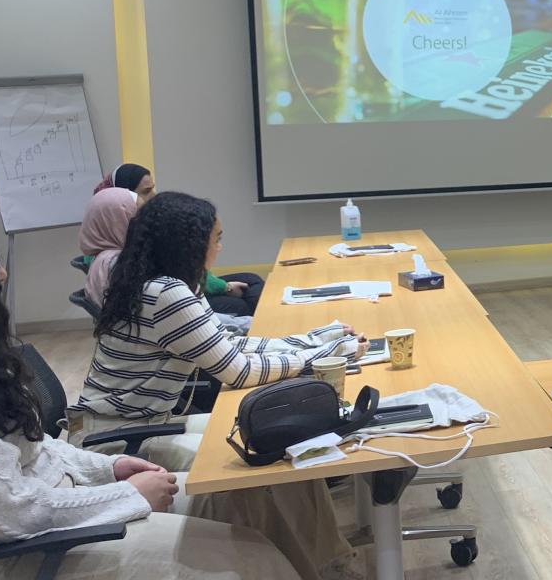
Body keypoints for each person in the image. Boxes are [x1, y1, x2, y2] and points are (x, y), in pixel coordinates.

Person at [0, 208, 298, 579]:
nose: (1, 275)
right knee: (250, 559)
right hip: (1, 557)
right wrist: (127, 496)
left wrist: (112, 468)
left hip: (56, 513)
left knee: (247, 496)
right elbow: (14, 515)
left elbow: (38, 449)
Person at [68, 192, 362, 579]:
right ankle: (315, 567)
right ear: (191, 243)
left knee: (285, 437)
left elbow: (231, 344)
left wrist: (315, 339)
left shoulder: (164, 284)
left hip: (143, 424)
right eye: (217, 238)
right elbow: (236, 370)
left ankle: (326, 563)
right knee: (269, 452)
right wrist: (314, 360)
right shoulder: (167, 294)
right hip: (119, 440)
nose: (221, 247)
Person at [89, 163, 265, 318]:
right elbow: (176, 275)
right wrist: (225, 288)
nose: (153, 195)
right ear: (123, 203)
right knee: (242, 305)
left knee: (251, 282)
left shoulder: (122, 239)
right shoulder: (118, 259)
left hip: (186, 291)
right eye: (145, 192)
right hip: (177, 297)